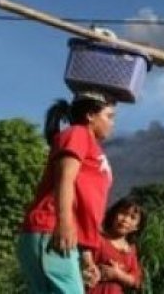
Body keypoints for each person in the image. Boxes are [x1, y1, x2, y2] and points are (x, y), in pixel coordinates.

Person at [16, 91, 116, 293]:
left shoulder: (90, 145)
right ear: (90, 115)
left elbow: (84, 203)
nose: (112, 123)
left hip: (57, 235)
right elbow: (65, 178)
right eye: (109, 116)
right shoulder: (77, 134)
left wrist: (87, 257)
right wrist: (63, 222)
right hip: (50, 229)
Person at [88, 196, 145, 293]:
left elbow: (136, 281)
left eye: (132, 217)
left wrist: (118, 275)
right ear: (114, 214)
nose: (125, 219)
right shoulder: (99, 239)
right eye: (123, 213)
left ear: (137, 227)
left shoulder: (131, 249)